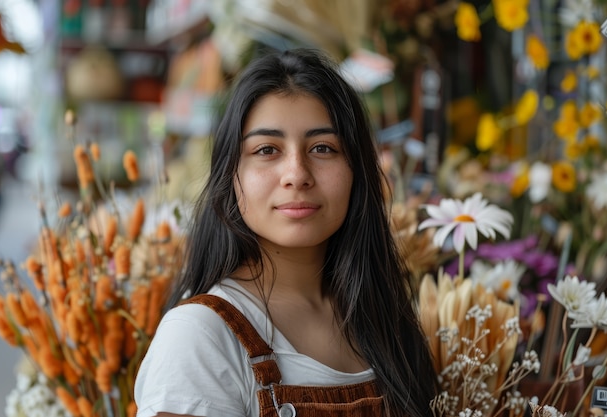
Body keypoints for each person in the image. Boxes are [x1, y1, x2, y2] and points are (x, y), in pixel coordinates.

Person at [134, 48, 438, 417]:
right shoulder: (200, 336)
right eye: (267, 150)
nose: (297, 174)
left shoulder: (384, 317)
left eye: (323, 148)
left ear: (357, 170)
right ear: (231, 175)